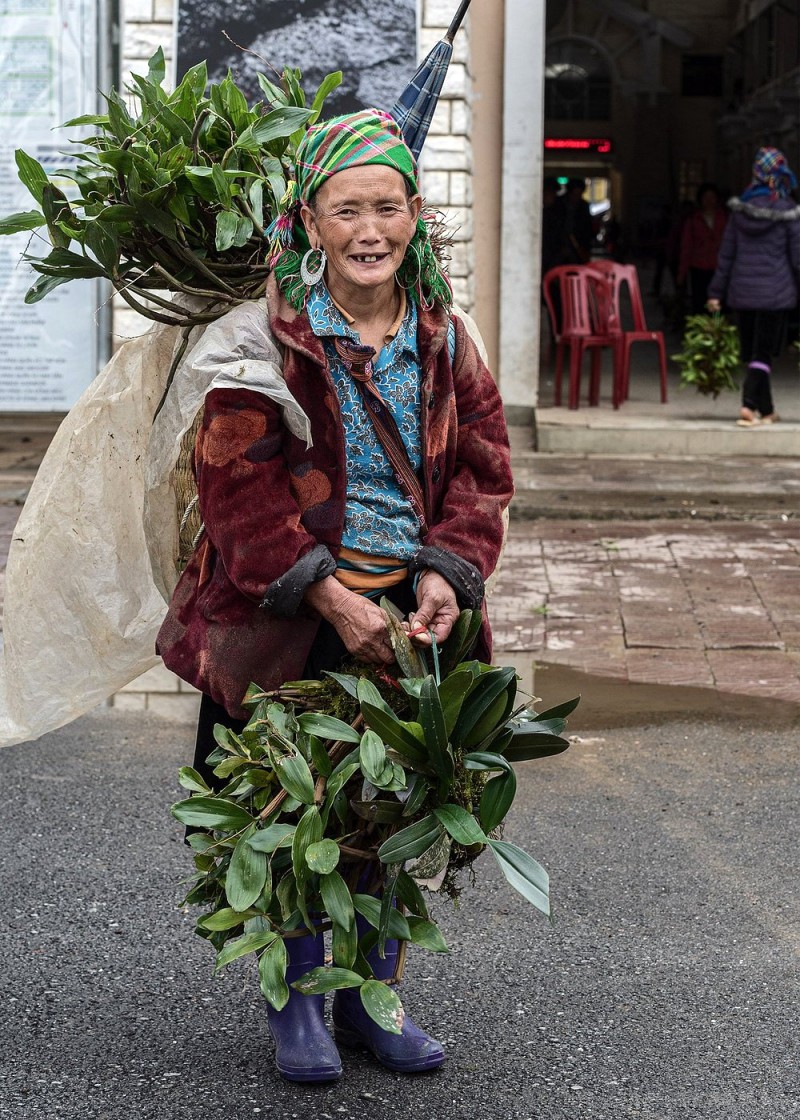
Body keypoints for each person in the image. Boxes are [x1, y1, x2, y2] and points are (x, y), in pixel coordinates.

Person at [155, 108, 514, 1081]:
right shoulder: (259, 341)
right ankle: (299, 1005)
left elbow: (482, 466)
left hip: (409, 616)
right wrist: (329, 597)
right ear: (308, 220)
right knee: (293, 812)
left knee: (391, 809)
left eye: (386, 207)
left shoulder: (445, 338)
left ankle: (370, 996)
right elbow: (233, 483)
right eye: (345, 208)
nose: (369, 229)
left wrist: (445, 568)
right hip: (289, 623)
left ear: (412, 217)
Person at [707, 147, 800, 425]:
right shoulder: (789, 213)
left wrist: (715, 292)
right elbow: (798, 258)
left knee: (754, 352)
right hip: (776, 292)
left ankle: (767, 410)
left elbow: (726, 255)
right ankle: (748, 405)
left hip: (743, 292)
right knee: (764, 351)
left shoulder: (739, 212)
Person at [678, 182, 727, 315]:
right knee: (699, 304)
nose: (709, 201)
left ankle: (716, 332)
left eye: (712, 197)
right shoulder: (693, 220)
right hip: (699, 268)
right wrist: (682, 273)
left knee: (717, 305)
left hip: (719, 268)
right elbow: (686, 247)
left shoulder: (724, 218)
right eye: (706, 197)